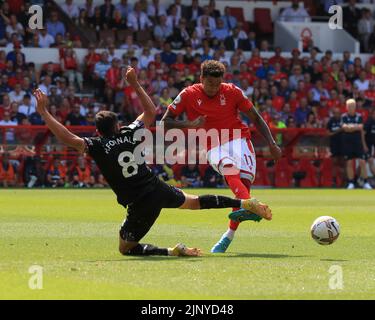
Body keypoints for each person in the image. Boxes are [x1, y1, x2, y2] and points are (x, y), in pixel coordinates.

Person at [32, 67, 272, 257]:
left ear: (97, 131)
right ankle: (242, 201)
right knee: (195, 202)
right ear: (117, 126)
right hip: (157, 187)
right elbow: (150, 112)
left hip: (139, 203)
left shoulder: (97, 146)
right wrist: (135, 84)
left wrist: (44, 113)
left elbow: (67, 137)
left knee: (125, 248)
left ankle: (171, 251)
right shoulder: (130, 132)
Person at [161, 60, 280, 253]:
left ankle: (228, 236)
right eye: (209, 84)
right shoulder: (188, 94)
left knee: (243, 187)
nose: (214, 89)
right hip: (212, 143)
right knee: (229, 170)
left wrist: (272, 143)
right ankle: (253, 206)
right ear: (201, 79)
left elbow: (256, 117)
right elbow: (165, 121)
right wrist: (190, 125)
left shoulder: (232, 91)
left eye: (217, 84)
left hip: (239, 139)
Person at [341, 99, 372, 190]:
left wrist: (350, 127)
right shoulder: (344, 117)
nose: (351, 107)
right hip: (347, 143)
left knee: (362, 162)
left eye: (353, 106)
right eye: (349, 106)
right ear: (346, 107)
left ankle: (365, 182)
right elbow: (344, 128)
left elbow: (361, 127)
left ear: (355, 107)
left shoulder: (359, 116)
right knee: (349, 162)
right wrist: (354, 127)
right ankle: (351, 183)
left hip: (358, 142)